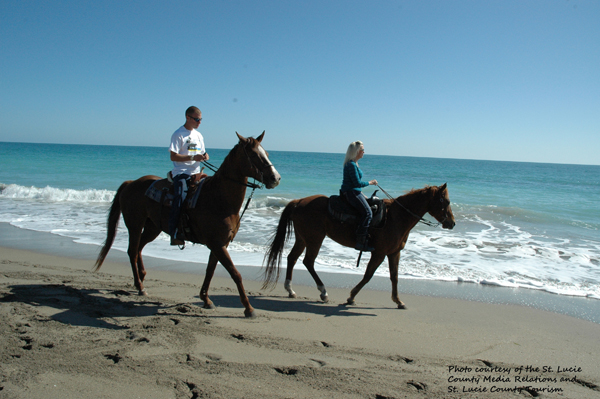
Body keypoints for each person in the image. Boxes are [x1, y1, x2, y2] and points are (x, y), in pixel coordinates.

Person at [168, 106, 209, 245]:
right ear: (188, 118)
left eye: (200, 119)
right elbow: (173, 156)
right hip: (181, 173)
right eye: (197, 119)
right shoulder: (178, 134)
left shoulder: (199, 135)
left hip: (197, 173)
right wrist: (193, 158)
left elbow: (201, 153)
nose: (199, 122)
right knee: (180, 197)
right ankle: (174, 233)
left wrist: (205, 156)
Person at [340, 140, 378, 252]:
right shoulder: (351, 165)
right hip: (351, 192)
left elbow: (355, 185)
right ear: (357, 151)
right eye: (362, 150)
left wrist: (362, 193)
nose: (364, 152)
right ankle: (360, 241)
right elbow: (356, 183)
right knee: (368, 213)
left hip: (354, 191)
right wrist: (370, 182)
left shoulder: (354, 164)